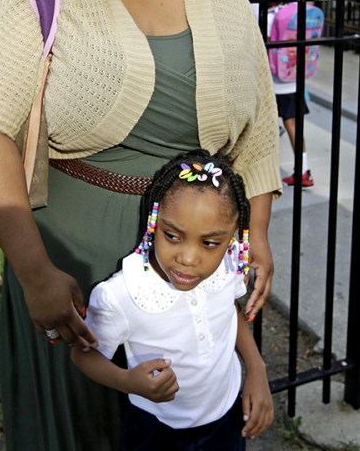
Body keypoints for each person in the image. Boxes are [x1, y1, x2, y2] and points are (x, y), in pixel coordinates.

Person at [0, 0, 281, 450]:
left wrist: (257, 233)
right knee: (83, 430)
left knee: (187, 418)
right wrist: (35, 271)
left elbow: (258, 126)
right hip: (74, 266)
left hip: (194, 254)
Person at [72, 149, 274, 449]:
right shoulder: (122, 294)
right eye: (172, 236)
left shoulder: (230, 264)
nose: (188, 258)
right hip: (156, 431)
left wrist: (256, 369)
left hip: (226, 417)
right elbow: (83, 354)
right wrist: (128, 382)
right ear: (154, 221)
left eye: (209, 243)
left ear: (233, 237)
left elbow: (229, 311)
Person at [254, 0, 320, 189]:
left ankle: (263, 175)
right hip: (295, 77)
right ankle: (304, 170)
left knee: (265, 128)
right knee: (293, 125)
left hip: (273, 82)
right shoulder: (299, 9)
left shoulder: (269, 15)